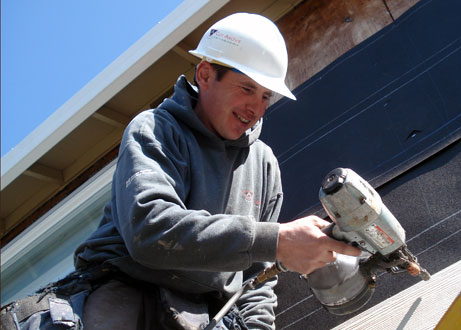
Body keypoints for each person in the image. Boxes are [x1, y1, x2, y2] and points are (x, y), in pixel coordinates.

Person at [4, 13, 360, 330]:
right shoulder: (157, 129)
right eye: (247, 88)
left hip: (206, 314)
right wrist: (276, 239)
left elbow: (256, 278)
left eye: (266, 96)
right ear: (205, 74)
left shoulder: (264, 167)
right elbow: (151, 228)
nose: (256, 107)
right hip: (129, 293)